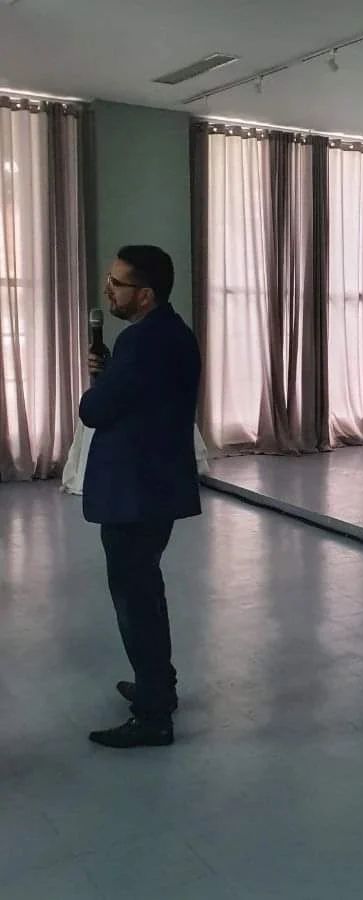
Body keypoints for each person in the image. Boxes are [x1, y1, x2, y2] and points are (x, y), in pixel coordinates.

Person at [79, 245, 202, 748]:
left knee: (136, 599)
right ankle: (158, 685)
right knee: (146, 591)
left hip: (135, 492)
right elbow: (144, 397)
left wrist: (97, 387)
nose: (108, 289)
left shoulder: (142, 341)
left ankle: (153, 716)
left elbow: (95, 411)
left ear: (145, 295)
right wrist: (113, 373)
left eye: (117, 283)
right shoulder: (171, 333)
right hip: (155, 487)